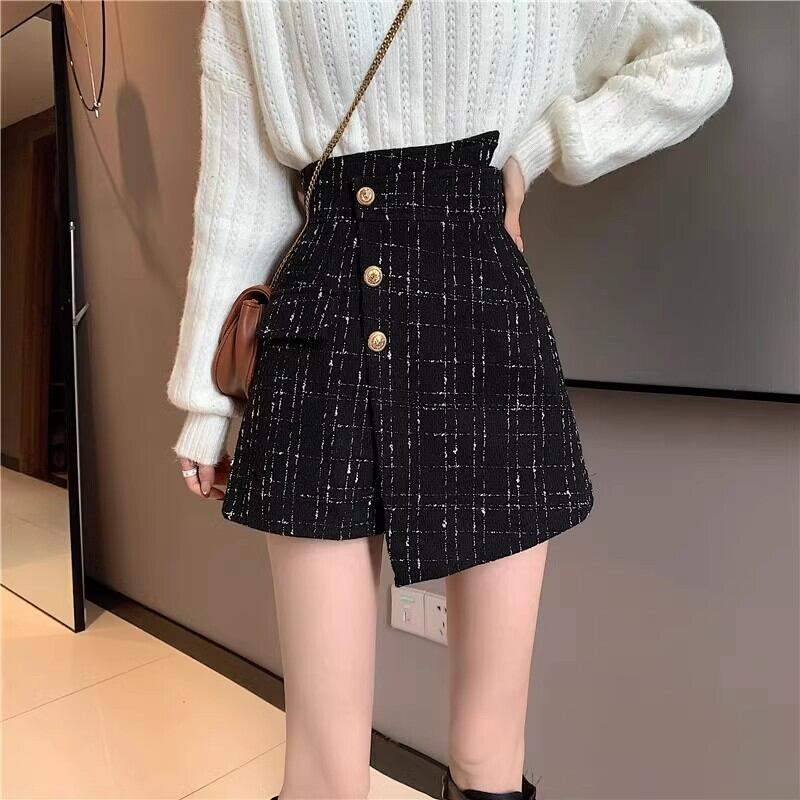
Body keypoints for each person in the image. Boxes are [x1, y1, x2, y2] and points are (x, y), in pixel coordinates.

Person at [166, 2, 732, 799]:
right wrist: (204, 398)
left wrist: (534, 154)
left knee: (486, 752)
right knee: (323, 768)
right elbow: (240, 182)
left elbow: (693, 59)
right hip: (319, 319)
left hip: (481, 315)